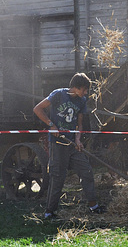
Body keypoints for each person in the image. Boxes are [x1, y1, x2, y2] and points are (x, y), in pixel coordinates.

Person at [33, 73, 106, 220]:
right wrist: (51, 125)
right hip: (58, 144)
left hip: (72, 145)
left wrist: (78, 139)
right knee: (58, 177)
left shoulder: (82, 101)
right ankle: (49, 212)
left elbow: (79, 123)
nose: (85, 93)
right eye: (84, 90)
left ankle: (93, 206)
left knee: (86, 171)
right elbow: (37, 109)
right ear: (76, 87)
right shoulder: (58, 95)